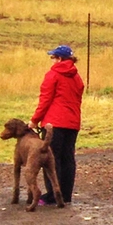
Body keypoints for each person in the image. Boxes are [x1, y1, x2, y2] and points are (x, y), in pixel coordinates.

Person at [28, 44, 84, 205]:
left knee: (51, 159)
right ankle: (65, 195)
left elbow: (45, 99)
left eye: (53, 57)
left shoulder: (53, 75)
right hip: (73, 123)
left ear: (59, 59)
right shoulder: (76, 76)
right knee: (68, 158)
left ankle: (53, 195)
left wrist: (34, 120)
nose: (51, 60)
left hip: (54, 123)